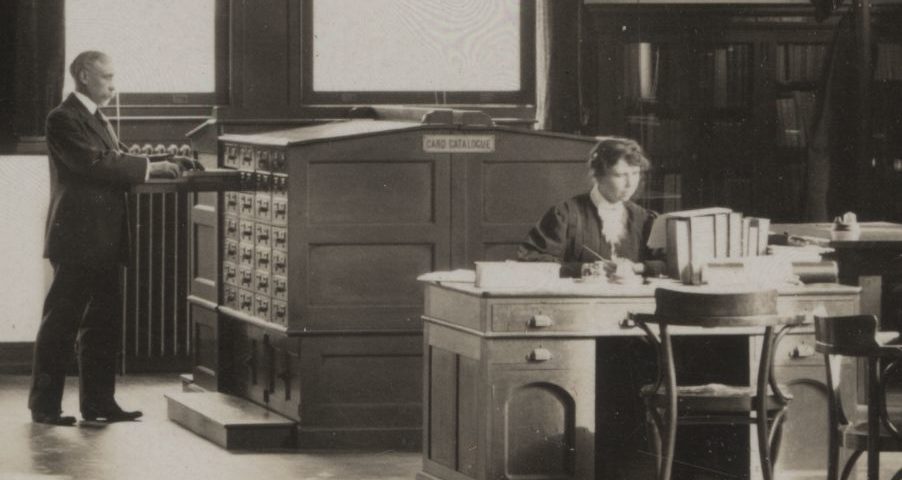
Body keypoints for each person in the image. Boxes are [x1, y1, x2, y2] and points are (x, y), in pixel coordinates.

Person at [29, 51, 202, 426]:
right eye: (106, 77)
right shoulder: (62, 118)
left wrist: (171, 158)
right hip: (77, 238)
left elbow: (117, 155)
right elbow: (94, 163)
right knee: (62, 321)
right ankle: (44, 407)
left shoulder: (95, 117)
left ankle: (99, 403)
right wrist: (152, 166)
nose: (112, 84)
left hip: (103, 239)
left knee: (102, 322)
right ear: (83, 76)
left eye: (112, 76)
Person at [517, 136, 660, 278]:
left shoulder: (644, 218)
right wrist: (583, 269)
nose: (630, 183)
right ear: (599, 176)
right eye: (620, 175)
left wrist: (638, 267)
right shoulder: (565, 214)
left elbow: (668, 262)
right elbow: (530, 258)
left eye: (635, 173)